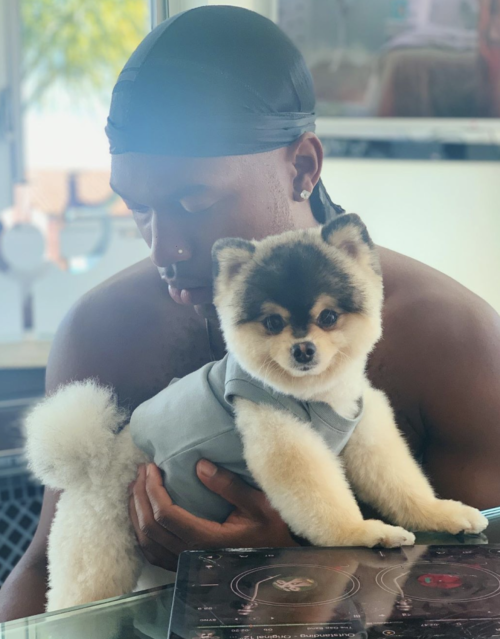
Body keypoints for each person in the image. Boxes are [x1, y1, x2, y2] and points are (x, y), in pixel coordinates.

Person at [1, 6, 500, 622]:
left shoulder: (449, 338)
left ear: (302, 167)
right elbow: (49, 567)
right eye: (139, 208)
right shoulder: (103, 332)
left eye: (193, 201)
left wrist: (300, 561)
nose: (166, 249)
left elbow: (483, 594)